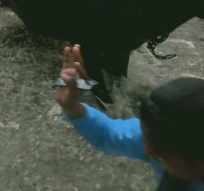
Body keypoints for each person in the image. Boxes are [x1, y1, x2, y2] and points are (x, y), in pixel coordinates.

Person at [55, 44, 204, 189]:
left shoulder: (163, 139)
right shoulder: (158, 136)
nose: (146, 152)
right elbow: (106, 134)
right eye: (145, 140)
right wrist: (71, 106)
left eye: (162, 154)